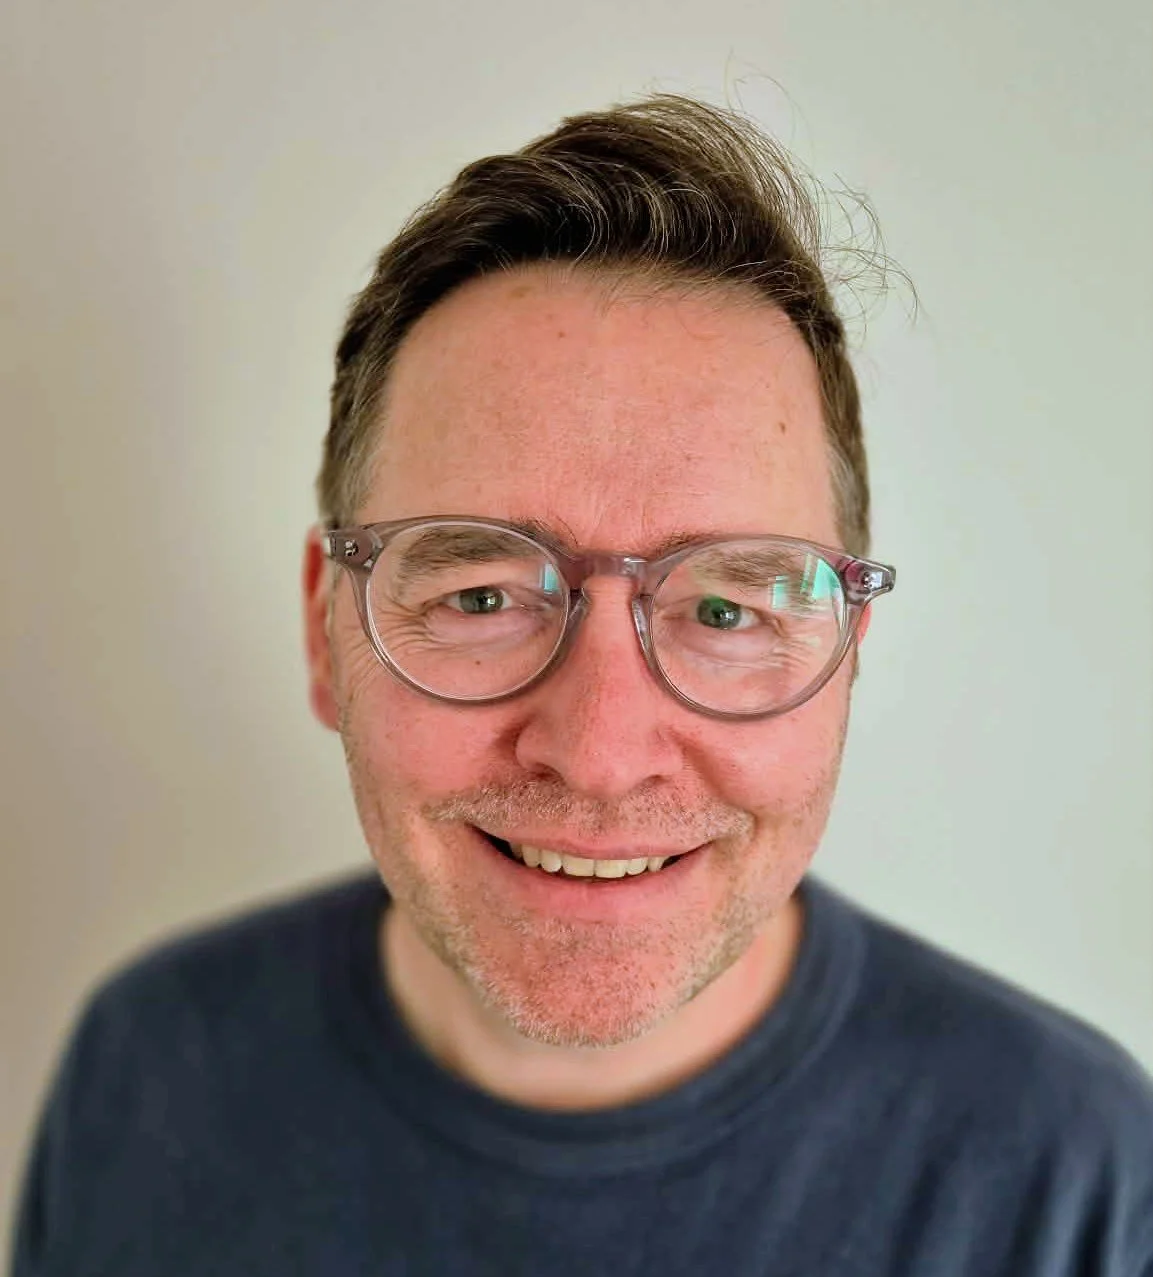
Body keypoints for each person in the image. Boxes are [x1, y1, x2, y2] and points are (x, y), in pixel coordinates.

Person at [11, 95, 1152, 1277]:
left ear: (847, 654)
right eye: (484, 596)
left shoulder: (1071, 1174)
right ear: (325, 630)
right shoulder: (147, 1071)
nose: (600, 749)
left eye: (724, 609)